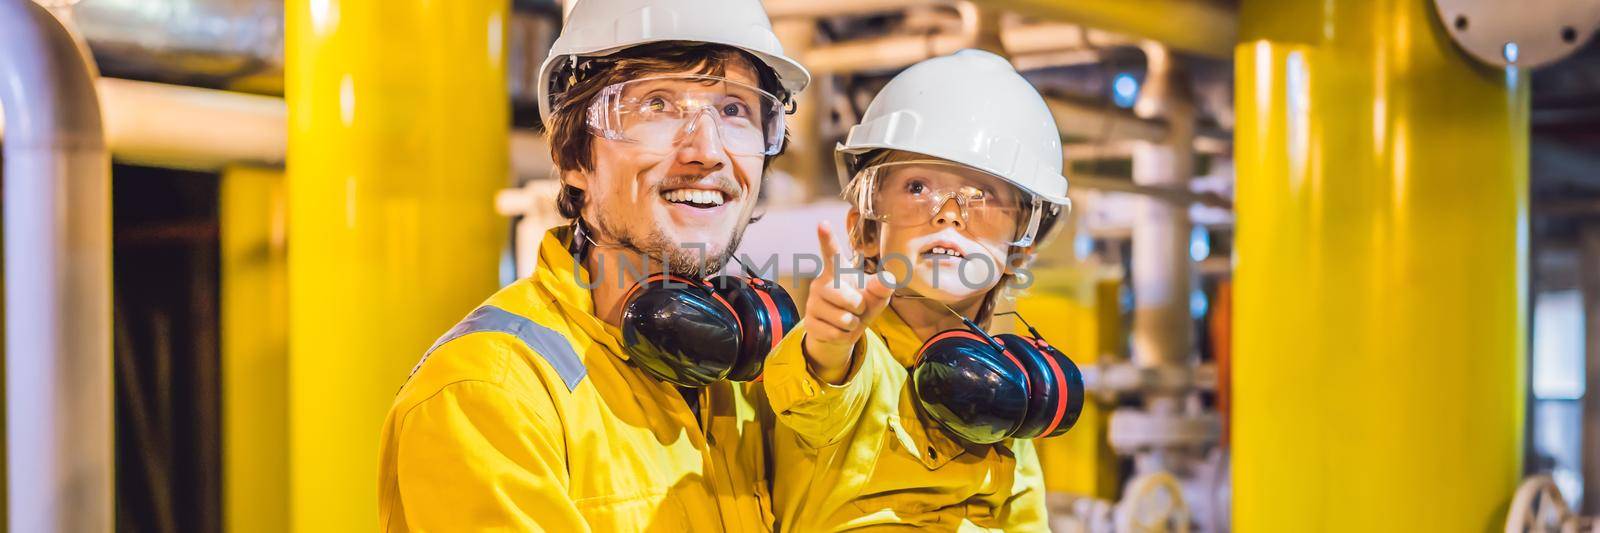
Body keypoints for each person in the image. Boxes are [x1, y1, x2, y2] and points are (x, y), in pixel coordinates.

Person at [375, 0, 809, 530]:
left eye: (735, 110)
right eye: (658, 105)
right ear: (574, 157)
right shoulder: (488, 394)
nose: (708, 151)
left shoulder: (757, 379)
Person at [764, 49, 1080, 531]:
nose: (949, 213)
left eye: (983, 196)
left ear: (1020, 250)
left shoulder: (1010, 398)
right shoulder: (855, 362)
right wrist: (827, 343)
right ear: (866, 230)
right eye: (917, 187)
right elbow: (815, 398)